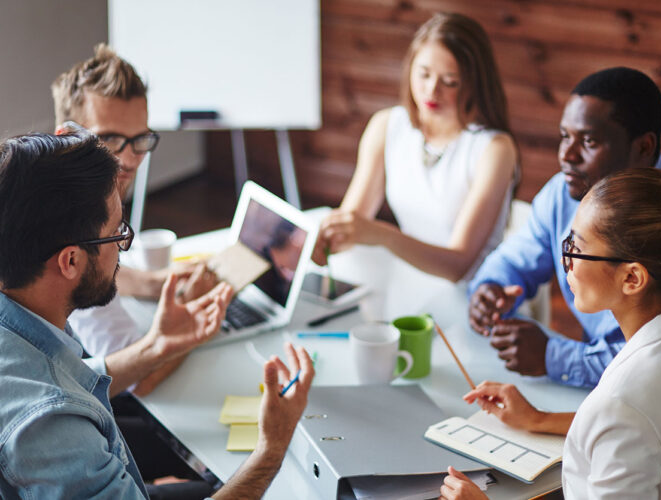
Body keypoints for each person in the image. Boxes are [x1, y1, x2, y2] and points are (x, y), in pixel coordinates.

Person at [0, 133, 315, 500]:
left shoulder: (23, 321)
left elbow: (66, 380)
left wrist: (157, 345)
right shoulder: (53, 427)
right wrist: (271, 451)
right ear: (70, 261)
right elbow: (56, 399)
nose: (122, 248)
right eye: (117, 235)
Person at [440, 168, 661, 499]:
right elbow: (649, 429)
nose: (566, 260)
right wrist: (538, 419)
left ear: (632, 279)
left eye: (576, 247)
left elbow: (629, 420)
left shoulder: (624, 403)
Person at [468, 67, 661, 388]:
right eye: (565, 136)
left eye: (588, 140)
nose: (567, 155)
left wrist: (555, 357)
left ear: (644, 147)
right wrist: (489, 287)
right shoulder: (562, 192)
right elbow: (515, 257)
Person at [51, 44, 218, 395]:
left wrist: (153, 285)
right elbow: (133, 380)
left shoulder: (61, 191)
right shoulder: (75, 230)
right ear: (67, 138)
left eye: (139, 139)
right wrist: (193, 316)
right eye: (109, 138)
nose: (128, 159)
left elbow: (89, 277)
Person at [313, 12, 518, 283]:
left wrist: (382, 235)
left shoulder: (495, 149)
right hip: (411, 281)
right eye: (423, 74)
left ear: (474, 83)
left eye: (450, 82)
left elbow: (458, 266)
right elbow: (353, 223)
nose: (432, 91)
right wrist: (320, 241)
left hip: (475, 296)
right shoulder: (387, 125)